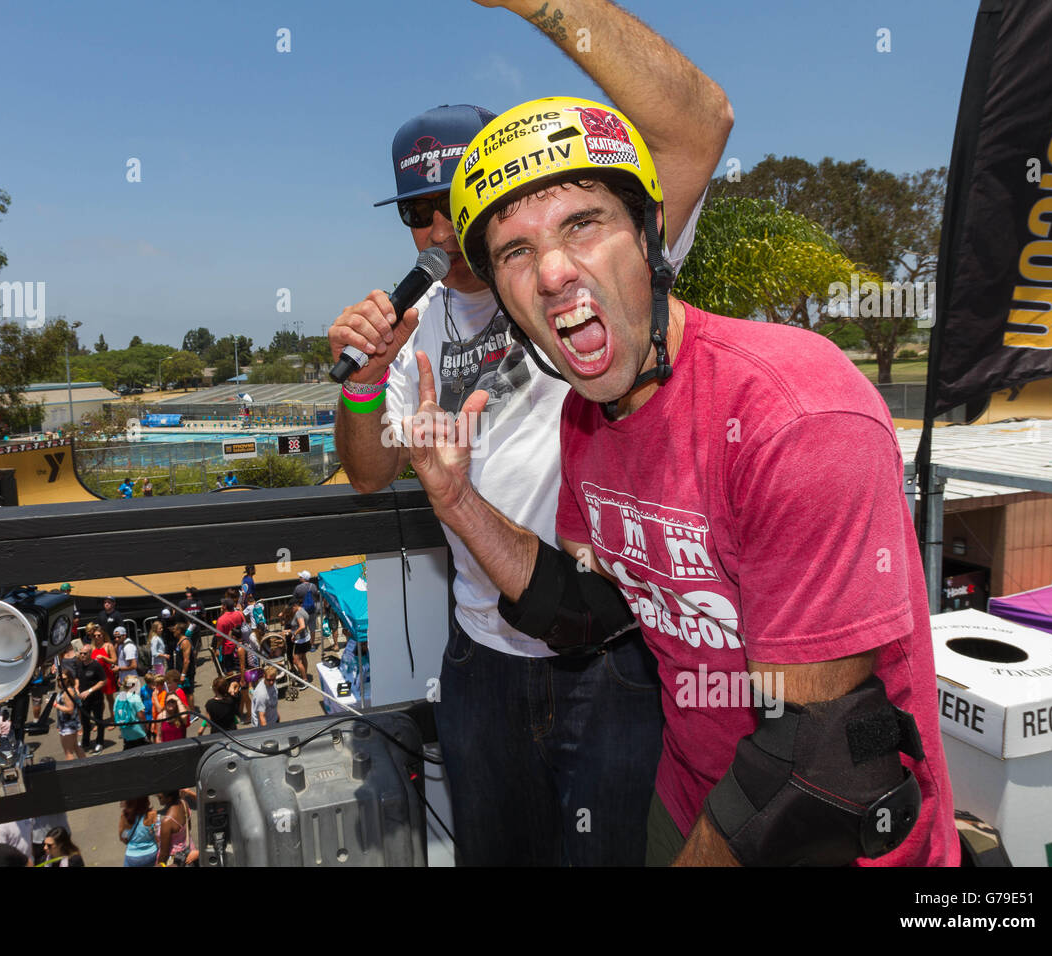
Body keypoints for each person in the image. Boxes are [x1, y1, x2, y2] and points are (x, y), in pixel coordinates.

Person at [417, 96, 961, 866]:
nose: (551, 271)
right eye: (514, 251)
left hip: (831, 837)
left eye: (582, 224)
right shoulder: (587, 419)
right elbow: (585, 612)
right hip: (692, 803)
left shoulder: (793, 412)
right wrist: (458, 500)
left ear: (649, 240)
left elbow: (822, 757)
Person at [327, 0, 730, 866]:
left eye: (450, 202)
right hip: (482, 657)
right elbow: (366, 475)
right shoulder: (417, 323)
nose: (436, 231)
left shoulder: (582, 268)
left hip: (614, 655)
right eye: (414, 215)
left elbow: (699, 129)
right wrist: (364, 382)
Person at [73, 643, 108, 754]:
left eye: (85, 653)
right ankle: (85, 742)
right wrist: (77, 688)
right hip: (83, 699)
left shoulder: (96, 666)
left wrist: (89, 691)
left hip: (96, 698)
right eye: (81, 653)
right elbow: (77, 678)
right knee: (85, 721)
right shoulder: (79, 664)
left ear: (90, 654)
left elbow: (103, 681)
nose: (82, 655)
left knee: (98, 720)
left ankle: (100, 742)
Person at [155, 791, 198, 866]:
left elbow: (164, 853)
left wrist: (160, 864)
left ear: (169, 798)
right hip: (189, 851)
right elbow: (189, 827)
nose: (157, 797)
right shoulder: (184, 803)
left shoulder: (167, 821)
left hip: (175, 860)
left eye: (160, 797)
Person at [54, 666, 85, 760]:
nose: (61, 681)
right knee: (75, 746)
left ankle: (72, 773)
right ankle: (86, 764)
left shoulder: (68, 692)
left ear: (69, 679)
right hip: (69, 725)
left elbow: (70, 709)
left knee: (68, 753)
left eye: (63, 679)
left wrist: (55, 705)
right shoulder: (69, 690)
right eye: (59, 679)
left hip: (68, 726)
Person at [119, 797, 158, 867]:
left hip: (132, 857)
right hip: (151, 853)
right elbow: (157, 835)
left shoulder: (125, 816)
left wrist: (128, 834)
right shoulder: (152, 814)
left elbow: (122, 837)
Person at [115, 674, 149, 750]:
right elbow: (141, 715)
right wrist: (146, 725)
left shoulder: (119, 697)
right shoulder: (135, 698)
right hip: (137, 731)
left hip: (125, 731)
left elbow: (115, 713)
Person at [288, 599, 311, 681]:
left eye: (291, 608)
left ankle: (304, 679)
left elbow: (302, 626)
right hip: (305, 638)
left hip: (301, 640)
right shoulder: (303, 609)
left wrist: (294, 634)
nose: (291, 610)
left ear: (295, 606)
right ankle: (305, 674)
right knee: (303, 657)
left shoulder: (298, 614)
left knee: (296, 661)